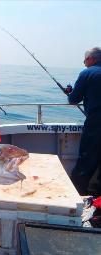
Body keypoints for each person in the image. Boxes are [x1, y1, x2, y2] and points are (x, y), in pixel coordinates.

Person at [65, 47, 101, 196]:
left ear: (92, 59)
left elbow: (74, 99)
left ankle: (77, 195)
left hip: (96, 122)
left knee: (87, 158)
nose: (84, 63)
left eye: (85, 60)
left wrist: (70, 93)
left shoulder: (87, 73)